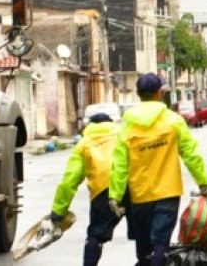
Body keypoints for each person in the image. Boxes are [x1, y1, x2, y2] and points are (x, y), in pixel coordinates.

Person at [109, 74, 207, 266]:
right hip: (168, 192)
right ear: (159, 93)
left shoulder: (128, 126)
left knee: (144, 246)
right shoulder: (174, 121)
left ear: (138, 94)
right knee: (161, 243)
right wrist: (204, 183)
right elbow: (191, 155)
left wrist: (115, 195)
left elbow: (120, 164)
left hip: (140, 195)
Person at [50, 113, 140, 266]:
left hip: (103, 191)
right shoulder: (125, 135)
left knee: (96, 234)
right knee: (143, 231)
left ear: (89, 126)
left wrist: (58, 211)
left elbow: (69, 181)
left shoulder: (84, 144)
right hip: (132, 186)